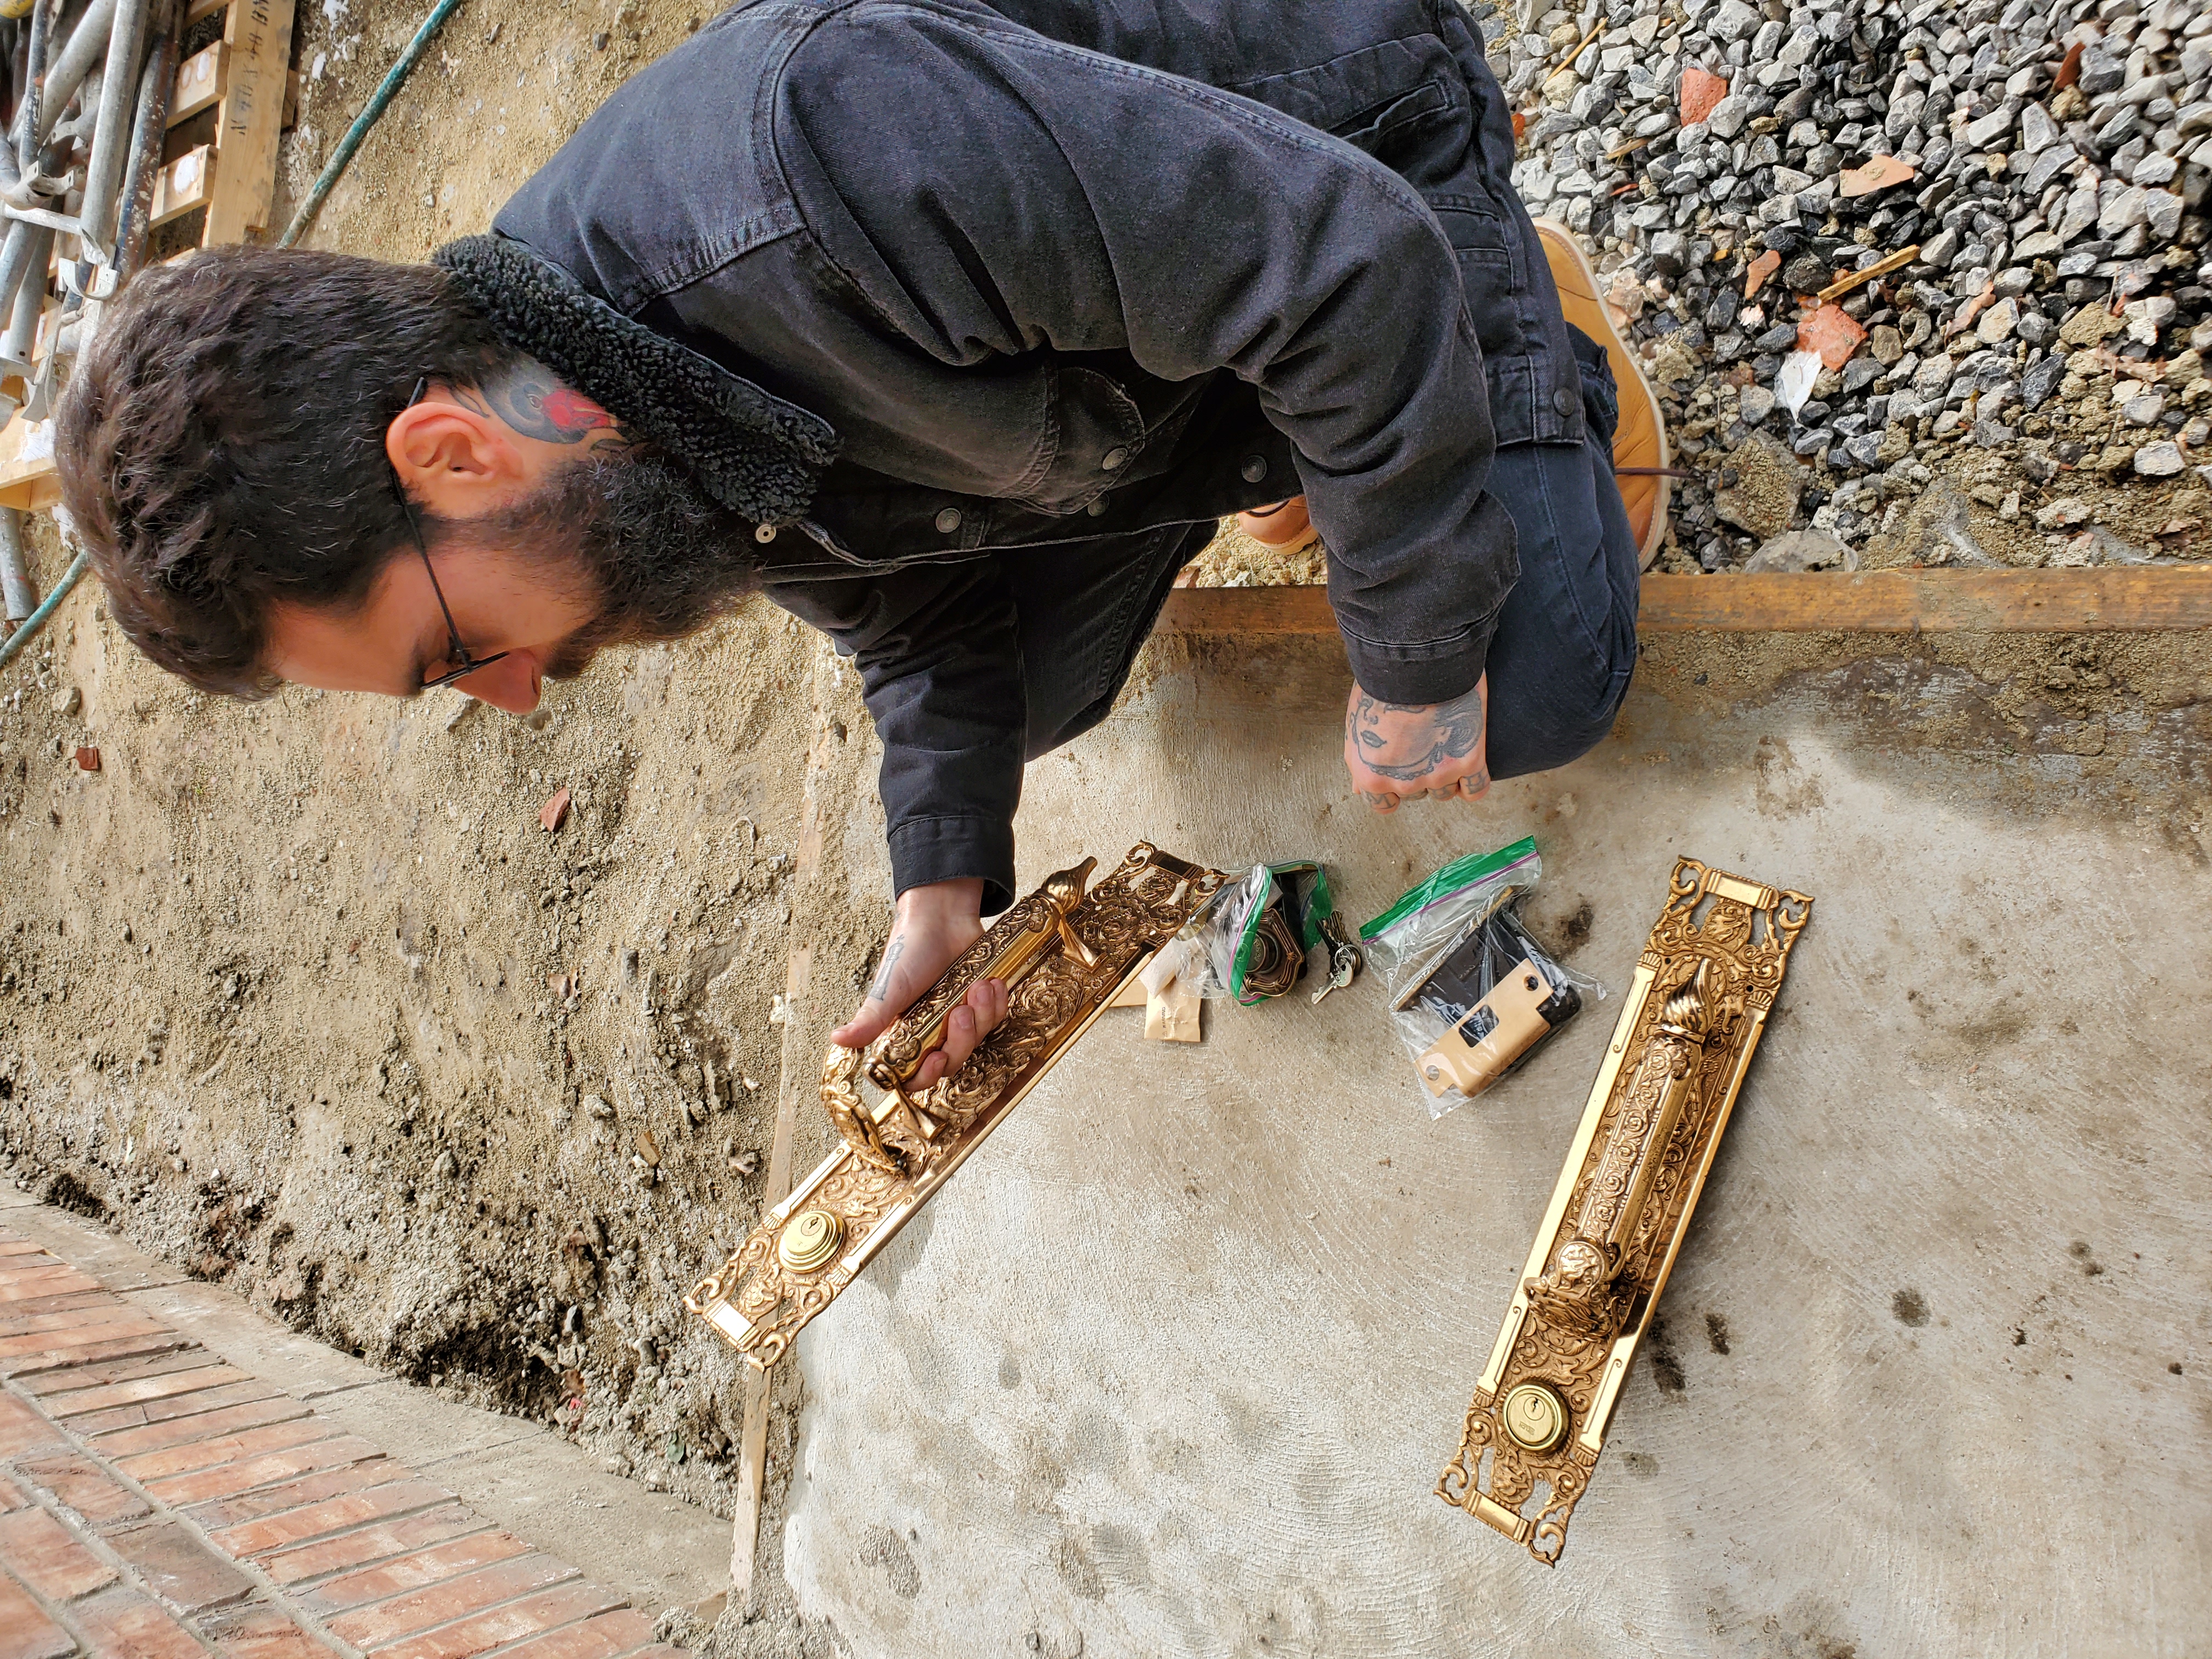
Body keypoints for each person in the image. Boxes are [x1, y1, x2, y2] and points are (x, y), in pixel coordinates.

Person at [55, 0, 1666, 1086]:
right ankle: (1319, 420)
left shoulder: (810, 171)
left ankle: (1524, 331)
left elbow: (1342, 261)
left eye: (454, 653)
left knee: (1524, 687)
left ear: (450, 456)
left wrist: (1411, 649)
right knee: (1025, 702)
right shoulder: (608, 412)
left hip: (1359, 144)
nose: (520, 693)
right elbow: (910, 622)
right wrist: (941, 880)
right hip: (1178, 309)